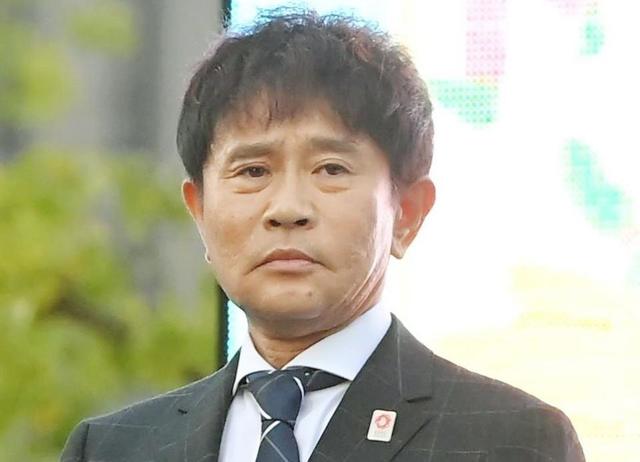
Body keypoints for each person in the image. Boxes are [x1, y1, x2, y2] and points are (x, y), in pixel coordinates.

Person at [61, 9, 585, 462]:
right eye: (252, 171)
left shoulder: (511, 439)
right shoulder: (111, 447)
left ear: (407, 212)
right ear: (199, 212)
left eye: (331, 169)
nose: (288, 209)